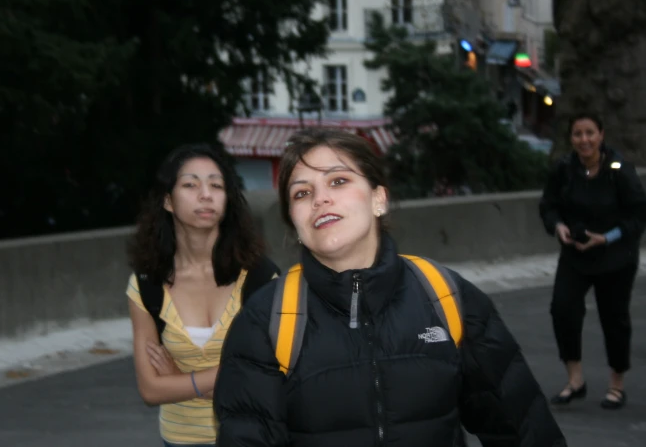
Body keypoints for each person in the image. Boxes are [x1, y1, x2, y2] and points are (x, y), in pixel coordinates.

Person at [213, 128, 565, 446]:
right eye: (302, 193)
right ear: (295, 222)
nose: (320, 199)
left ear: (378, 198)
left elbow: (524, 429)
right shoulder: (265, 322)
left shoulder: (445, 295)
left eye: (338, 181)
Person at [126, 143, 279, 447]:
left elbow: (272, 381)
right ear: (168, 201)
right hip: (179, 439)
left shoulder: (261, 278)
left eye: (216, 185)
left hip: (252, 438)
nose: (206, 194)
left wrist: (179, 378)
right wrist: (228, 376)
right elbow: (150, 390)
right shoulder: (146, 284)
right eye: (191, 184)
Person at [539, 112, 646, 410]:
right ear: (571, 138)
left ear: (601, 135)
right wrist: (558, 227)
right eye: (577, 134)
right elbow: (548, 207)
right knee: (563, 309)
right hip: (576, 254)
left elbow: (638, 215)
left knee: (614, 318)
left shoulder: (619, 170)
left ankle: (616, 384)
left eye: (590, 133)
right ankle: (575, 380)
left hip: (615, 256)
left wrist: (606, 237)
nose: (584, 140)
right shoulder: (564, 168)